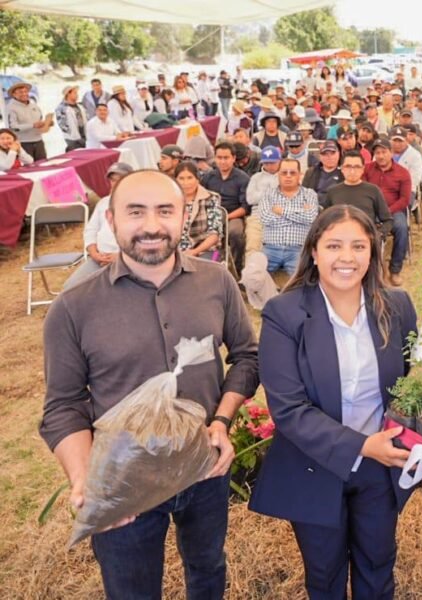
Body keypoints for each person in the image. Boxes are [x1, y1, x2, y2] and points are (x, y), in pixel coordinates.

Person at [40, 170, 259, 599]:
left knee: (208, 567)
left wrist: (222, 419)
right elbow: (63, 406)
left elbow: (247, 357)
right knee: (131, 588)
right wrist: (87, 478)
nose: (152, 226)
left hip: (204, 465)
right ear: (112, 219)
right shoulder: (73, 307)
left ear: (183, 216)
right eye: (135, 212)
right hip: (123, 479)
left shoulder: (217, 283)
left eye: (165, 211)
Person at [249, 204, 417, 599]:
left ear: (373, 252)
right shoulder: (284, 313)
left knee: (378, 564)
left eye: (359, 246)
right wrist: (359, 445)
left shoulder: (397, 307)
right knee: (324, 574)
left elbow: (408, 382)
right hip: (315, 462)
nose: (347, 257)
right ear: (314, 252)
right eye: (334, 245)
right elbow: (288, 409)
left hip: (379, 464)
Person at [62, 162, 133, 290]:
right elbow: (91, 230)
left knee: (115, 292)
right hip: (98, 259)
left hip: (128, 261)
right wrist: (93, 252)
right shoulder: (103, 202)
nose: (115, 184)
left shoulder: (139, 204)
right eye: (112, 180)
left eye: (120, 180)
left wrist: (122, 257)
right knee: (70, 288)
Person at [257, 157, 319, 276]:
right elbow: (265, 218)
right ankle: (271, 294)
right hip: (270, 249)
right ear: (278, 175)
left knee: (303, 280)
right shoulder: (268, 194)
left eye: (293, 173)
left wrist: (281, 211)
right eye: (284, 173)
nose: (288, 176)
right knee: (253, 277)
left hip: (298, 250)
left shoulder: (309, 194)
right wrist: (299, 214)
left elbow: (311, 217)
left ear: (300, 175)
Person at [364, 139, 412, 286]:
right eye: (377, 152)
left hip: (393, 210)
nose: (380, 156)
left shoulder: (402, 173)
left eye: (384, 152)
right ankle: (367, 269)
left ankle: (395, 269)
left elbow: (404, 200)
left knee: (402, 228)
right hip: (370, 209)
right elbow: (362, 190)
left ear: (391, 153)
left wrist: (387, 212)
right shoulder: (367, 169)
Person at [323, 151, 393, 244]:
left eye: (356, 167)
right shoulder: (332, 191)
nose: (352, 171)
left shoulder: (373, 190)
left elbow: (388, 220)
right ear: (342, 168)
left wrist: (378, 234)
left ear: (362, 169)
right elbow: (324, 220)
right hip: (339, 239)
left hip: (365, 239)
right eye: (348, 166)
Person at [202, 142, 251, 272]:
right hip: (211, 214)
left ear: (233, 158)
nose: (222, 161)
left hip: (233, 215)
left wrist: (226, 217)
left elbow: (245, 207)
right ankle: (209, 264)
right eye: (219, 158)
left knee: (235, 232)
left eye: (226, 158)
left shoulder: (242, 178)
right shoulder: (208, 177)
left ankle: (236, 267)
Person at [175, 161, 223, 259]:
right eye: (181, 178)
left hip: (207, 250)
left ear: (197, 179)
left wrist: (194, 251)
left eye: (190, 178)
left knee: (208, 268)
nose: (186, 183)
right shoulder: (170, 200)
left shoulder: (211, 198)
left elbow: (215, 234)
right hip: (176, 251)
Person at [6, 81, 48, 161]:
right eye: (20, 92)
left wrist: (46, 124)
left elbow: (40, 119)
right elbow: (13, 127)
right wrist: (32, 125)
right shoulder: (11, 108)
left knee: (43, 164)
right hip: (24, 143)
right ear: (14, 94)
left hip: (39, 141)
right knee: (29, 168)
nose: (24, 94)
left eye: (25, 91)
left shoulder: (33, 105)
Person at [302, 139, 344, 205]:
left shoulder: (344, 173)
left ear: (339, 154)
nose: (329, 157)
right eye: (325, 154)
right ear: (320, 156)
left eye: (332, 153)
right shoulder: (311, 172)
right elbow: (303, 194)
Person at [55, 85, 87, 151]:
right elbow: (63, 125)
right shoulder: (62, 108)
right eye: (75, 93)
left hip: (84, 136)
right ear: (68, 94)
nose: (77, 95)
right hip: (72, 139)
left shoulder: (79, 106)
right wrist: (73, 136)